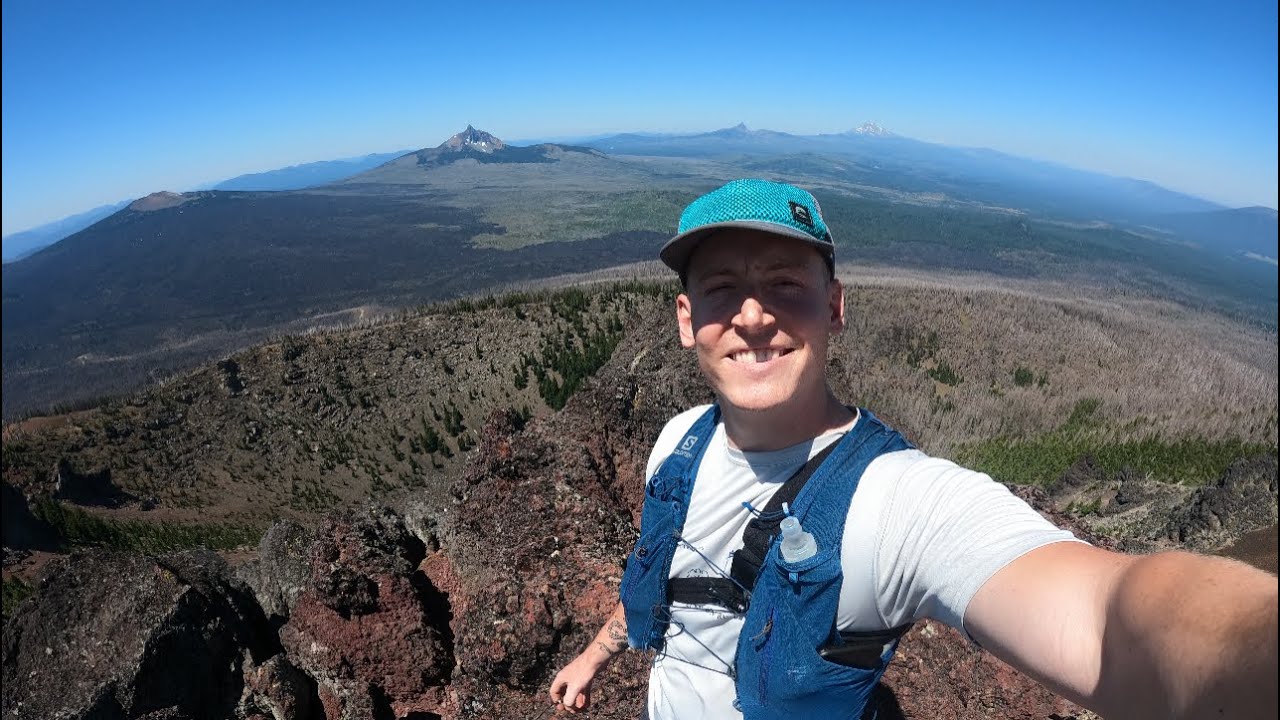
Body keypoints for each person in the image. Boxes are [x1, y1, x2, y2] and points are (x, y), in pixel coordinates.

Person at [548, 178, 1278, 719]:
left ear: (835, 308)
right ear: (686, 319)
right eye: (721, 289)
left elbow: (1107, 616)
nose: (752, 316)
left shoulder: (895, 502)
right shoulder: (677, 444)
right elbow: (666, 583)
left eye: (785, 284)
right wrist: (595, 655)